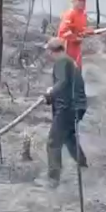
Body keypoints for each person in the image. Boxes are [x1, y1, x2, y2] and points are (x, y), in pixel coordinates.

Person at [41, 37, 88, 188]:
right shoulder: (68, 61)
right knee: (68, 137)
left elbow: (61, 83)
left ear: (52, 51)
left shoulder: (61, 62)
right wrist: (51, 98)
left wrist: (50, 92)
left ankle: (53, 180)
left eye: (48, 51)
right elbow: (67, 86)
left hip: (69, 108)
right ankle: (83, 165)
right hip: (76, 106)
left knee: (53, 143)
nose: (47, 54)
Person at [57, 0, 95, 69]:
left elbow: (81, 30)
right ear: (74, 2)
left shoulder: (83, 14)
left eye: (83, 0)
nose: (82, 2)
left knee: (77, 67)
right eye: (79, 0)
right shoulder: (70, 14)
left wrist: (89, 32)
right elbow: (63, 31)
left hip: (76, 46)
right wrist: (75, 38)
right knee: (68, 68)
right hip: (67, 45)